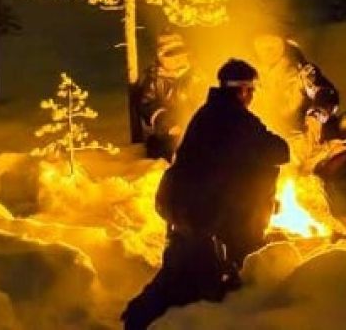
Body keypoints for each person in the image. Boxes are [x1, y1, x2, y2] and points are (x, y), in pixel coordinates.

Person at [122, 59, 289, 330]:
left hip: (183, 205)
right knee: (195, 272)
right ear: (243, 90)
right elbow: (280, 151)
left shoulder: (207, 113)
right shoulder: (237, 119)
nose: (252, 96)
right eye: (251, 90)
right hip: (209, 212)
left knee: (185, 265)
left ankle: (146, 314)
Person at [251, 34, 340, 143]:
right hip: (269, 144)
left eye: (274, 41)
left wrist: (316, 117)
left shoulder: (301, 71)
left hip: (303, 140)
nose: (268, 48)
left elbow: (326, 93)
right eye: (262, 42)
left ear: (283, 43)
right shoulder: (249, 75)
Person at [136, 32, 206, 161]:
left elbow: (204, 99)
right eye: (172, 55)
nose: (178, 58)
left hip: (195, 128)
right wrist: (167, 124)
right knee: (165, 148)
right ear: (162, 57)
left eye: (180, 53)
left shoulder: (196, 76)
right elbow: (147, 105)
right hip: (167, 133)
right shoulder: (154, 79)